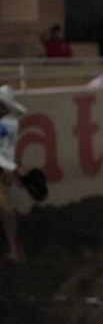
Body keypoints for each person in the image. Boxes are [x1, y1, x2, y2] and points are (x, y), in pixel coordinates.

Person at [0, 85, 28, 263]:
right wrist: (12, 168)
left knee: (7, 211)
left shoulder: (8, 126)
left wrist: (10, 168)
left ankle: (13, 247)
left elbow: (6, 150)